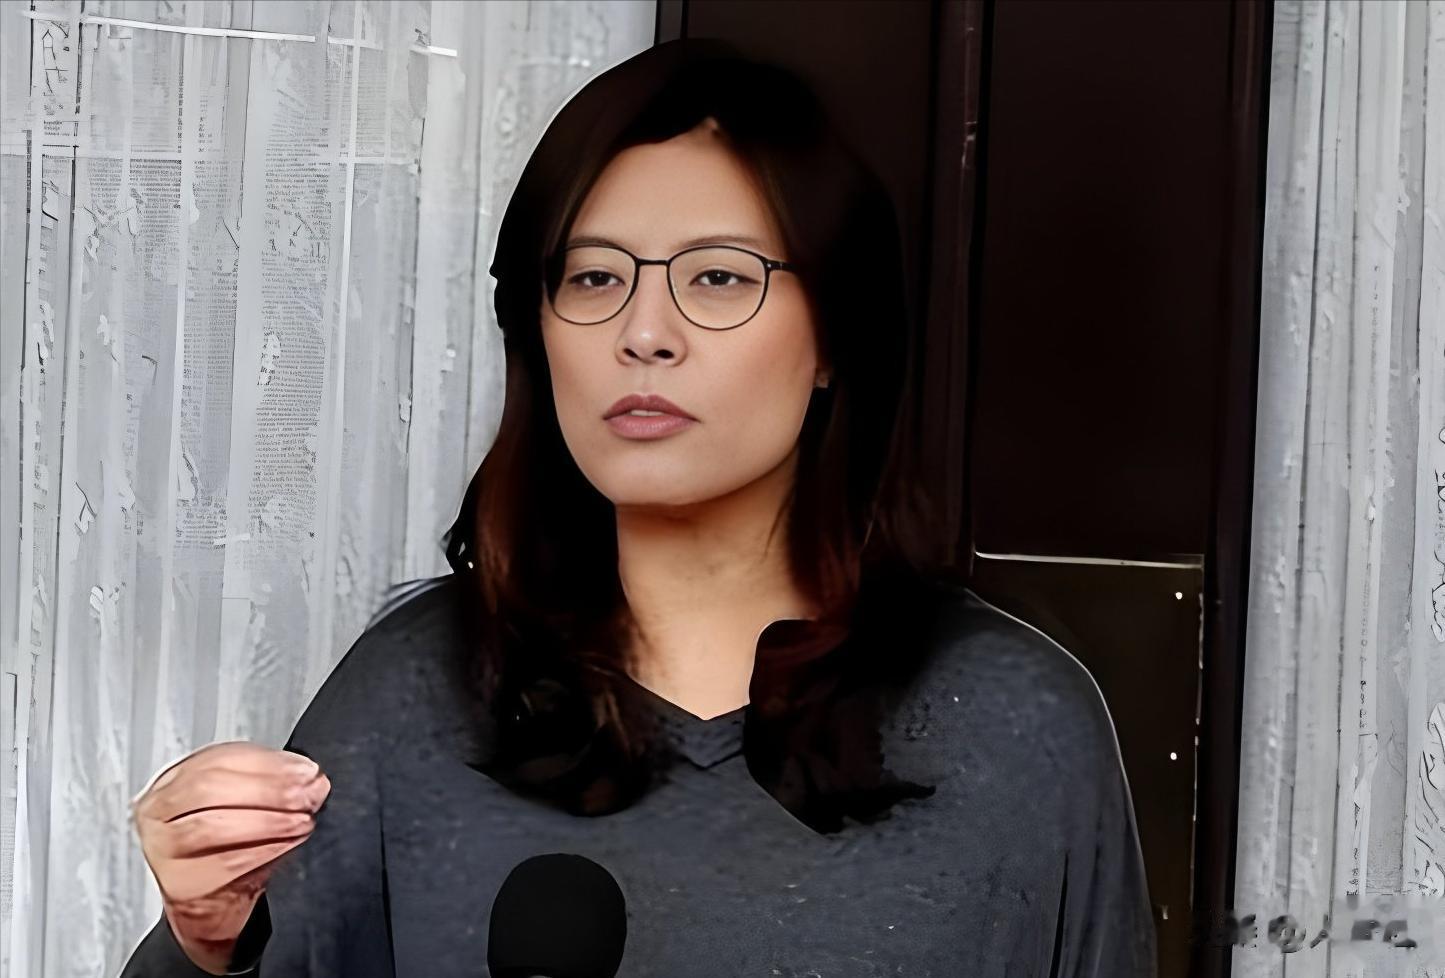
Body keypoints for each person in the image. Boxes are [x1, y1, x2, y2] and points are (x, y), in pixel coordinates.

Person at [119, 38, 1157, 977]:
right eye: (592, 278)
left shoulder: (1015, 725)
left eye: (717, 278)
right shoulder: (416, 692)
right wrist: (205, 944)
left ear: (834, 337)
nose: (643, 332)